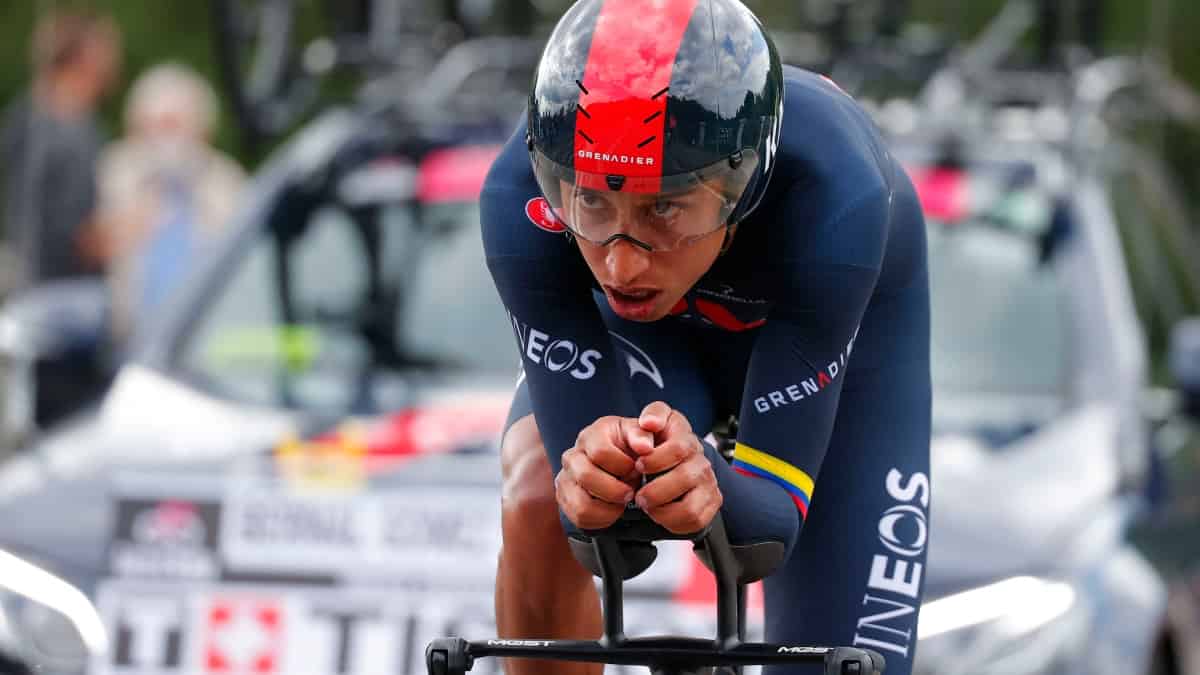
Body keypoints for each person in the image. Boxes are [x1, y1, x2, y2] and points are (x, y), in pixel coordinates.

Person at [481, 2, 931, 675]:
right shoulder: (517, 199)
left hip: (840, 349)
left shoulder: (836, 197)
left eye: (664, 207)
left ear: (742, 187)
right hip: (650, 340)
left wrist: (711, 479)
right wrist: (598, 486)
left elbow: (764, 533)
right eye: (592, 201)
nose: (620, 265)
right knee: (543, 491)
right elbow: (592, 530)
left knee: (846, 663)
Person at [95, 62, 246, 346]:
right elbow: (94, 249)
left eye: (171, 124)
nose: (162, 139)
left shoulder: (227, 182)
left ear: (201, 129)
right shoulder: (116, 172)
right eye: (151, 126)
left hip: (203, 338)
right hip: (129, 337)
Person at [0, 9, 121, 290]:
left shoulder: (70, 122)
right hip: (58, 288)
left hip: (53, 283)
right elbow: (78, 234)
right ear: (86, 57)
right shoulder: (55, 129)